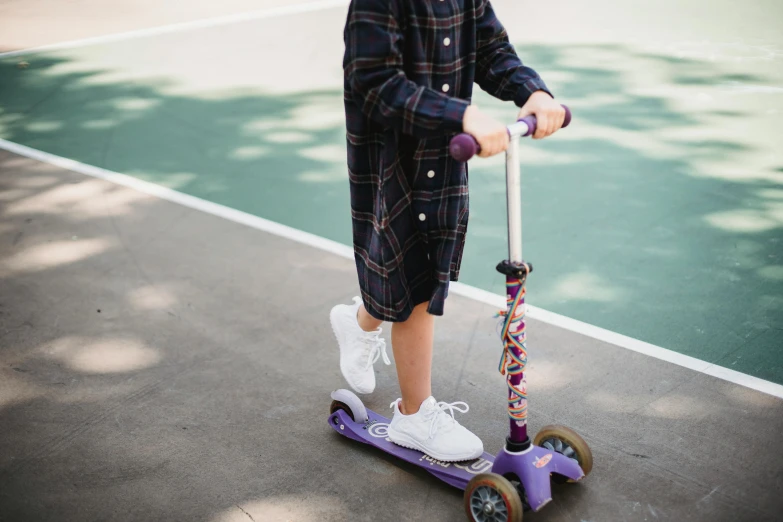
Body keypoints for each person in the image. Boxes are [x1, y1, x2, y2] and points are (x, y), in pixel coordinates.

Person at [331, 0, 566, 462]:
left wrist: (531, 91)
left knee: (417, 275)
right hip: (393, 162)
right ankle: (414, 415)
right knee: (415, 289)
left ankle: (358, 321)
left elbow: (489, 47)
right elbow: (373, 81)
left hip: (445, 157)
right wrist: (459, 114)